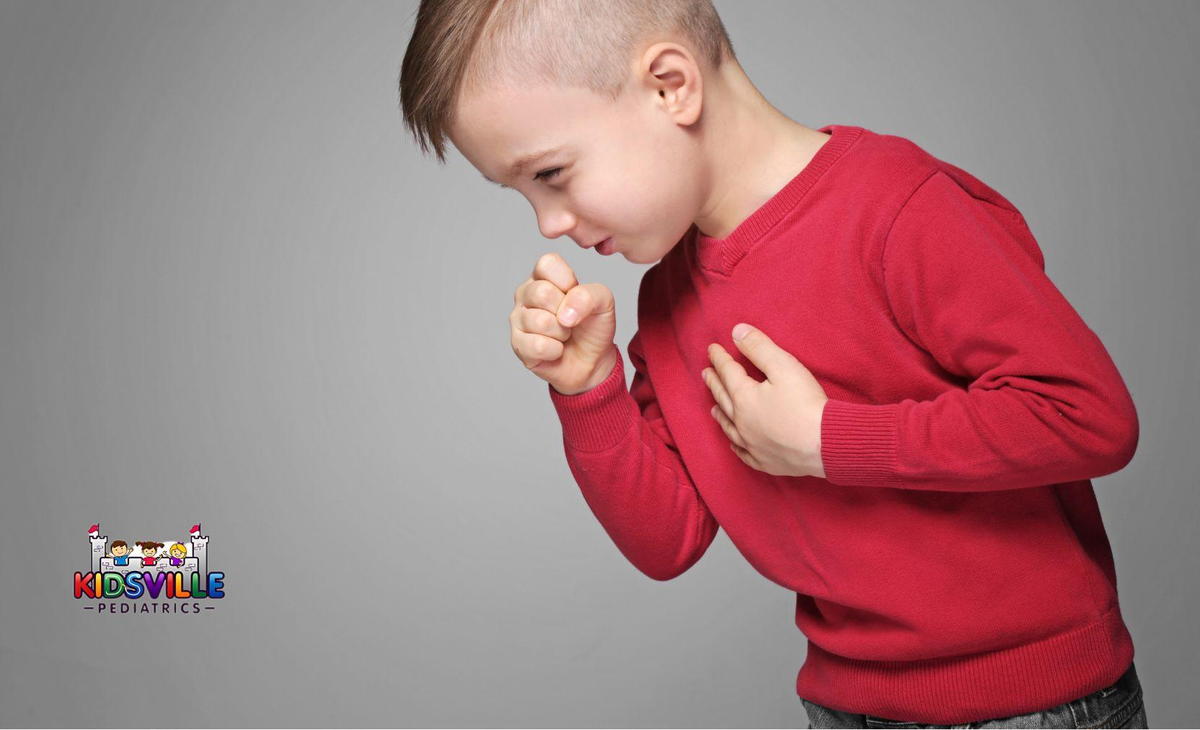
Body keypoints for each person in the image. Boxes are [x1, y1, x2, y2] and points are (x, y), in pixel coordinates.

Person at [398, 1, 1147, 726]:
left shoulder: (898, 209)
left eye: (552, 175)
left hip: (1032, 703)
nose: (549, 223)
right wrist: (591, 391)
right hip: (847, 703)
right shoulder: (665, 304)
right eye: (522, 193)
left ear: (671, 86)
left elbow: (1088, 415)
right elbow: (669, 541)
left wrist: (829, 442)